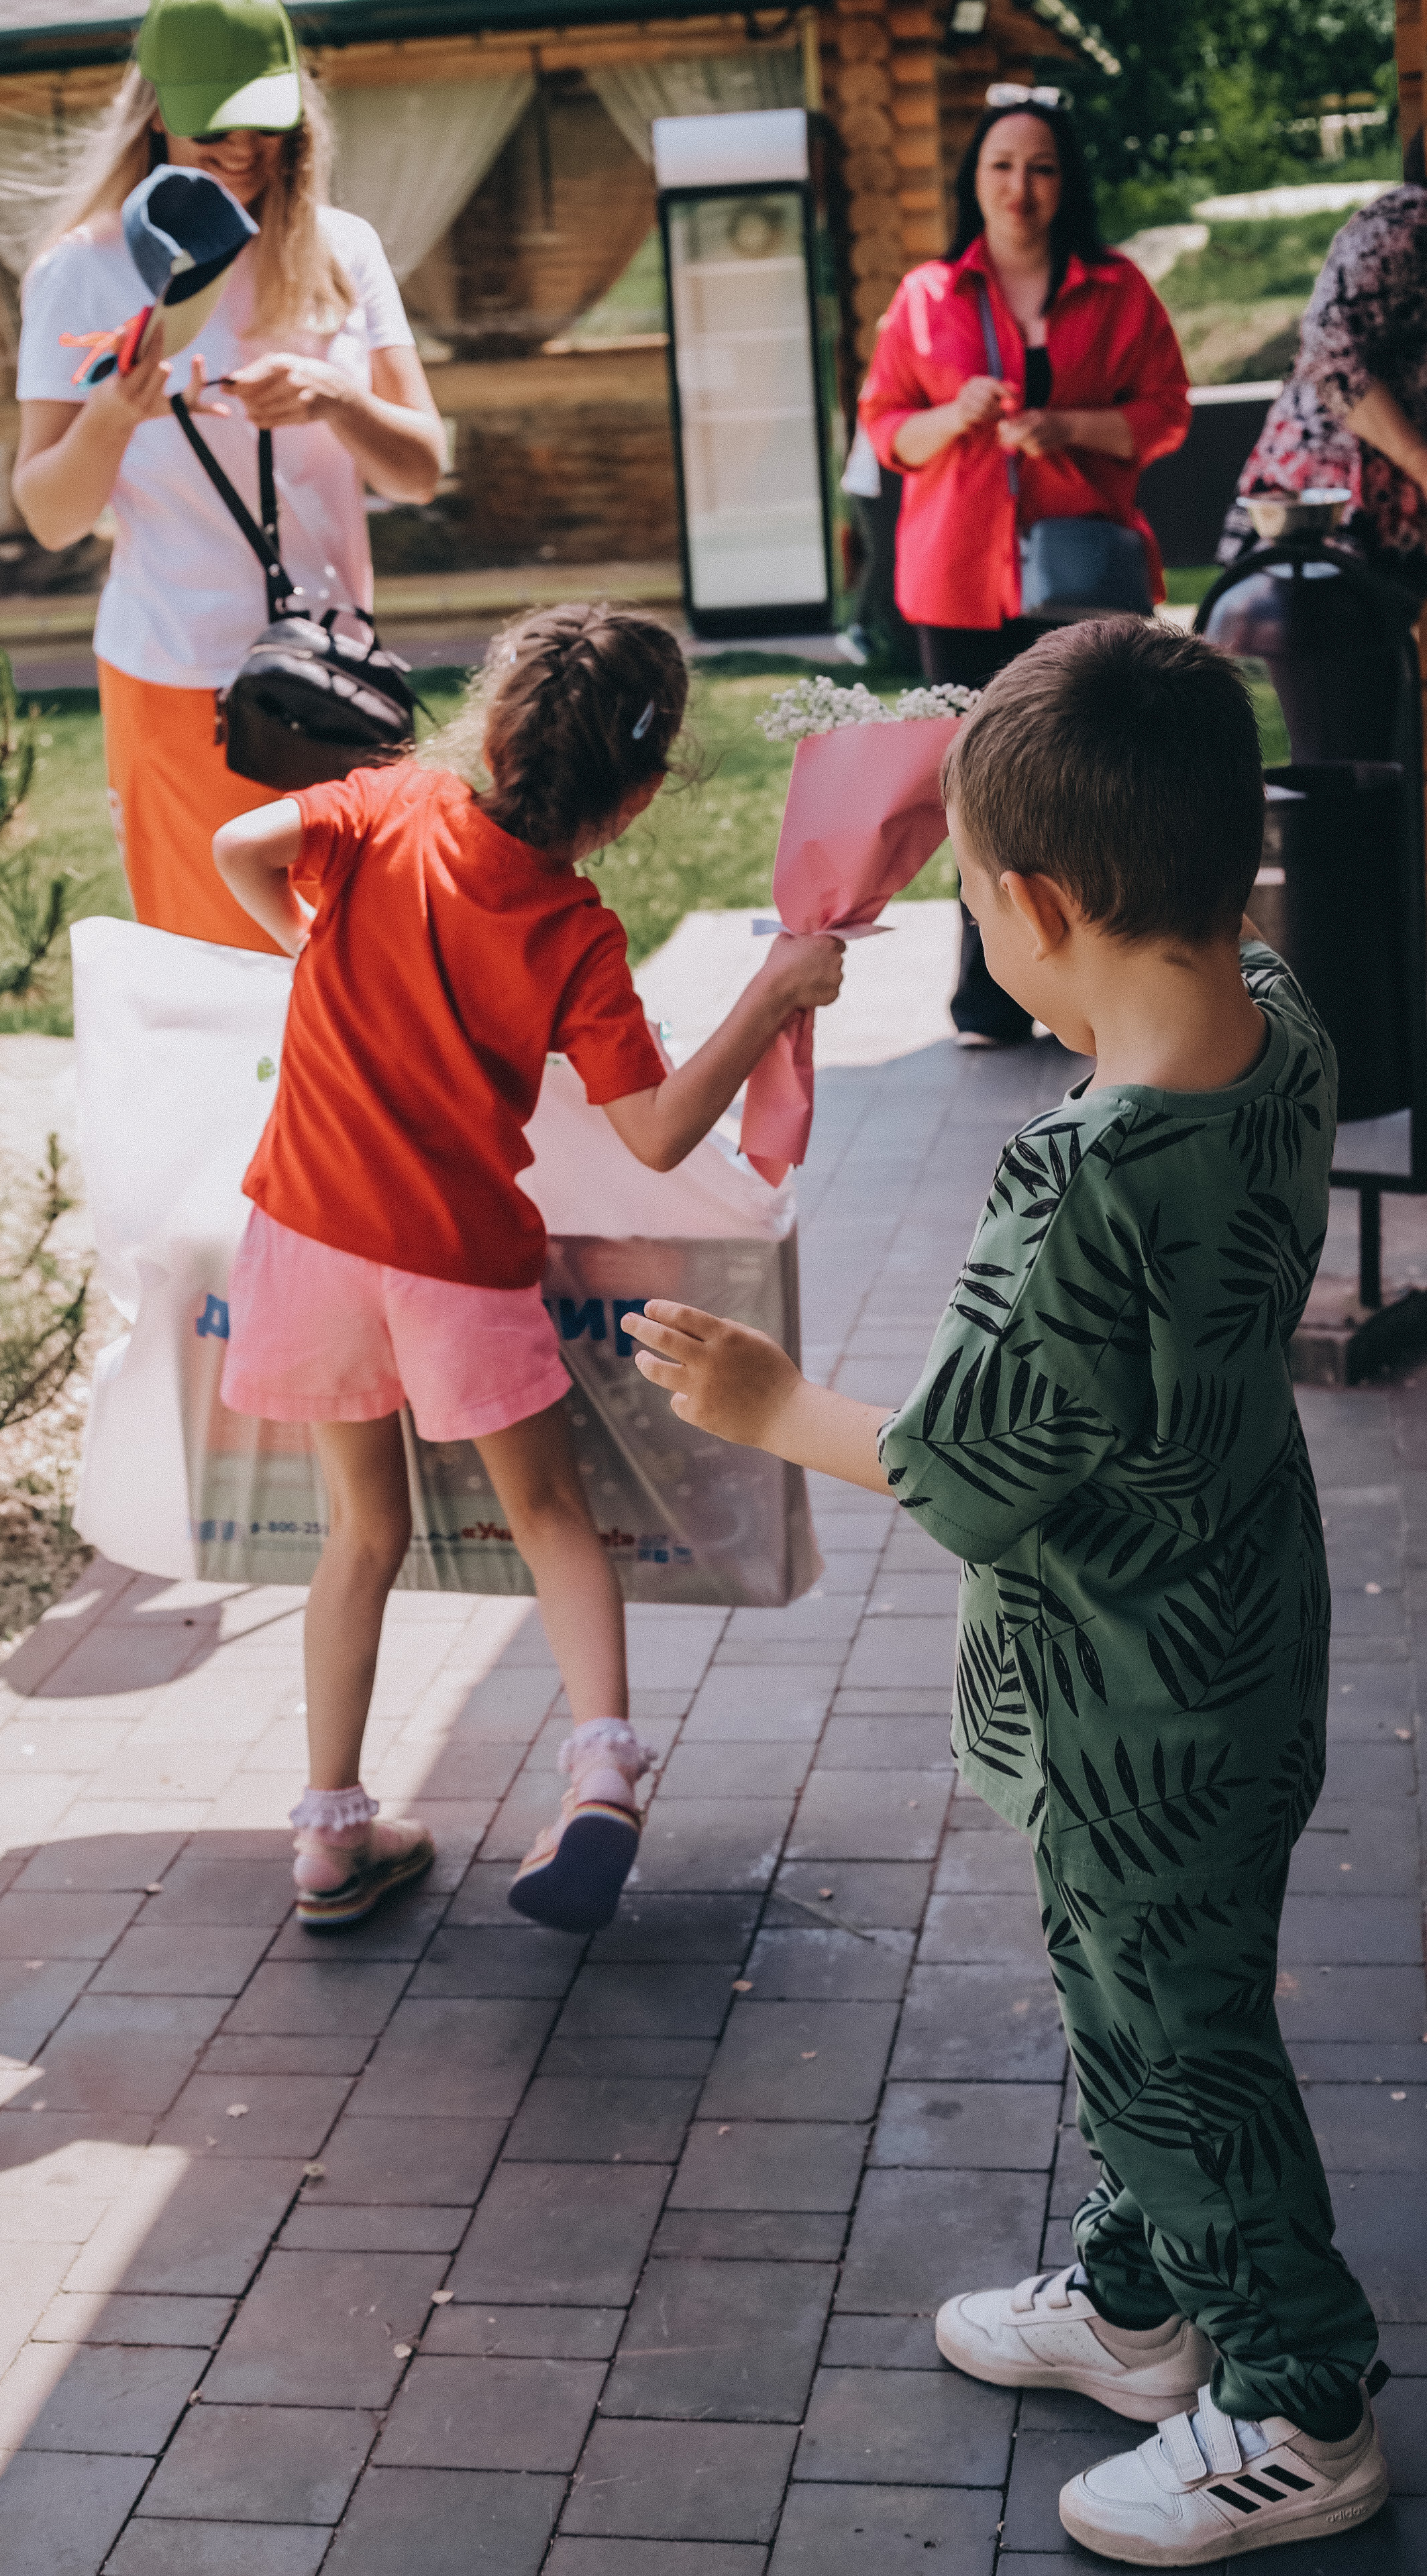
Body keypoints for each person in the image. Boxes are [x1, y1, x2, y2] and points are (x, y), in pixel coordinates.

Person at [627, 621, 1389, 2566]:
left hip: (1135, 1697)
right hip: (1242, 1628)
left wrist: (770, 1400)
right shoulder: (1281, 1025)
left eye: (976, 897)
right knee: (1155, 2000)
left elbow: (970, 1464)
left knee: (1171, 2033)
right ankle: (1141, 2310)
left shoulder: (1089, 1177)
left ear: (1037, 908)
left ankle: (1298, 2399)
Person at [209, 604, 844, 1933]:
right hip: (451, 1259)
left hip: (309, 1239)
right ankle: (601, 1768)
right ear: (637, 796)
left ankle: (329, 1835)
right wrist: (774, 995)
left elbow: (236, 844)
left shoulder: (384, 811)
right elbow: (660, 1135)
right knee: (550, 1516)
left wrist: (306, 950)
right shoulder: (572, 935)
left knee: (361, 1535)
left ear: (492, 724)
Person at [12, 0, 445, 953]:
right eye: (216, 123)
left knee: (365, 965)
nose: (245, 149)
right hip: (174, 678)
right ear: (155, 109)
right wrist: (111, 418)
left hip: (335, 670)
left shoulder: (343, 249)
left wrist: (338, 396)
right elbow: (48, 512)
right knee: (213, 975)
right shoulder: (79, 274)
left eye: (268, 121)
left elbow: (421, 467)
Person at [857, 87, 1189, 1047]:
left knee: (1091, 779)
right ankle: (992, 996)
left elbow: (1166, 411)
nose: (1021, 186)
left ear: (1065, 181)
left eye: (1041, 167)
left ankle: (1101, 987)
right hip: (957, 579)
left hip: (1079, 574)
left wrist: (1068, 428)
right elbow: (886, 431)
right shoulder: (926, 296)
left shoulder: (1120, 289)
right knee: (973, 788)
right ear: (975, 180)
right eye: (1002, 166)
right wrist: (952, 415)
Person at [1221, 129, 1427, 598]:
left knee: (1382, 664)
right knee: (1331, 653)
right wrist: (1421, 460)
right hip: (1327, 505)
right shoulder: (1410, 220)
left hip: (1393, 514)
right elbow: (1330, 348)